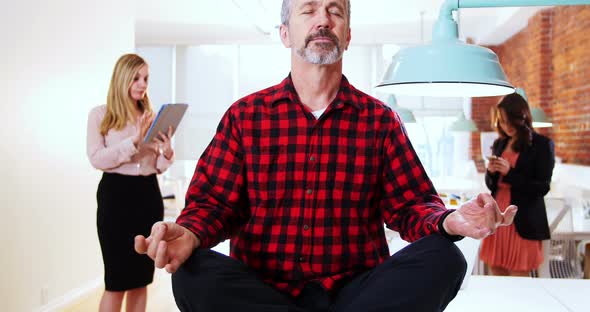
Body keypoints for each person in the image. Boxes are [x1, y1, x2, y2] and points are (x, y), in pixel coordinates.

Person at [135, 1, 517, 311]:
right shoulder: (245, 116)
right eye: (309, 9)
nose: (323, 20)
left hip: (356, 295)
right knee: (191, 272)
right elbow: (214, 204)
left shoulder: (380, 121)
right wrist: (189, 232)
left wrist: (452, 221)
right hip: (264, 292)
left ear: (347, 35)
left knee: (446, 259)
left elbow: (412, 206)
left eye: (335, 11)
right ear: (285, 34)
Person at [87, 53, 175, 312]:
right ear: (122, 78)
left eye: (146, 78)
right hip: (116, 196)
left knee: (140, 280)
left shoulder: (148, 115)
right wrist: (134, 141)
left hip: (147, 194)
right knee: (116, 282)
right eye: (136, 77)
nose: (142, 83)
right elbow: (97, 159)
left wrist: (166, 152)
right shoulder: (100, 115)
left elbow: (153, 166)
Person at [480, 92, 555, 277]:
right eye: (502, 121)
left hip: (524, 218)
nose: (506, 126)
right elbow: (492, 186)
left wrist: (510, 173)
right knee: (496, 270)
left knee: (519, 276)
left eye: (509, 121)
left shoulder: (542, 144)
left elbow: (542, 187)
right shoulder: (500, 143)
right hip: (498, 216)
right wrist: (491, 171)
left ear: (521, 117)